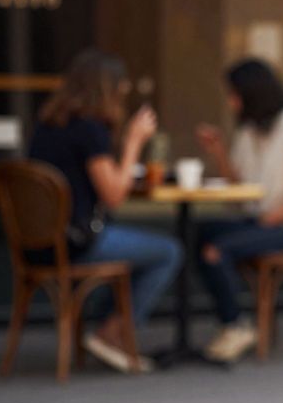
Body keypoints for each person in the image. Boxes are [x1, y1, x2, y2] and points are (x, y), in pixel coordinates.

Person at [28, 49, 182, 374]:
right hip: (77, 243)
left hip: (37, 244)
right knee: (168, 251)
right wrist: (133, 143)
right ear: (106, 89)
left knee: (133, 249)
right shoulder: (89, 130)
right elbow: (114, 195)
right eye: (120, 88)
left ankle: (107, 326)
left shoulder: (47, 125)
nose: (124, 95)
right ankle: (111, 332)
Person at [194, 59, 283, 363]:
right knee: (200, 233)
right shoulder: (250, 130)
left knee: (216, 249)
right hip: (258, 220)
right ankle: (232, 320)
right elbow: (240, 187)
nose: (231, 102)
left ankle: (236, 325)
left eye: (234, 95)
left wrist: (267, 220)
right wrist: (218, 152)